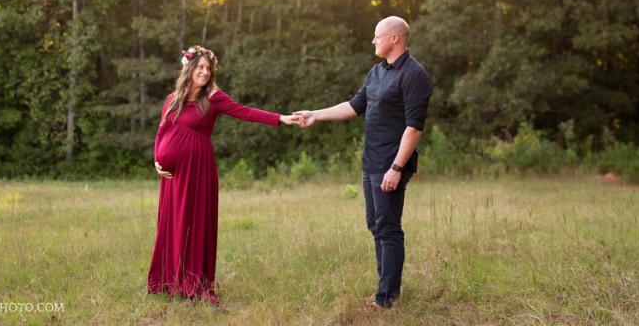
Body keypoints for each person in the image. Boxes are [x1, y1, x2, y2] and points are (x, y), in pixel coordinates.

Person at [294, 16, 432, 310]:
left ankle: (387, 298)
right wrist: (315, 114)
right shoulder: (377, 72)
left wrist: (396, 168)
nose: (373, 41)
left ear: (395, 38)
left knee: (388, 227)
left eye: (377, 36)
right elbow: (354, 107)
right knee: (376, 225)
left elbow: (414, 128)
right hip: (371, 162)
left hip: (391, 164)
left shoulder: (414, 74)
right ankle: (385, 289)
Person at [147, 45, 303, 303]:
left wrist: (280, 118)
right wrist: (157, 159)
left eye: (208, 69)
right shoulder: (171, 99)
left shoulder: (214, 99)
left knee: (193, 223)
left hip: (198, 169)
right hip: (172, 176)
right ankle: (169, 278)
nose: (205, 72)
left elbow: (246, 112)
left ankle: (194, 282)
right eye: (200, 67)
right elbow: (161, 131)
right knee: (172, 223)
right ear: (188, 68)